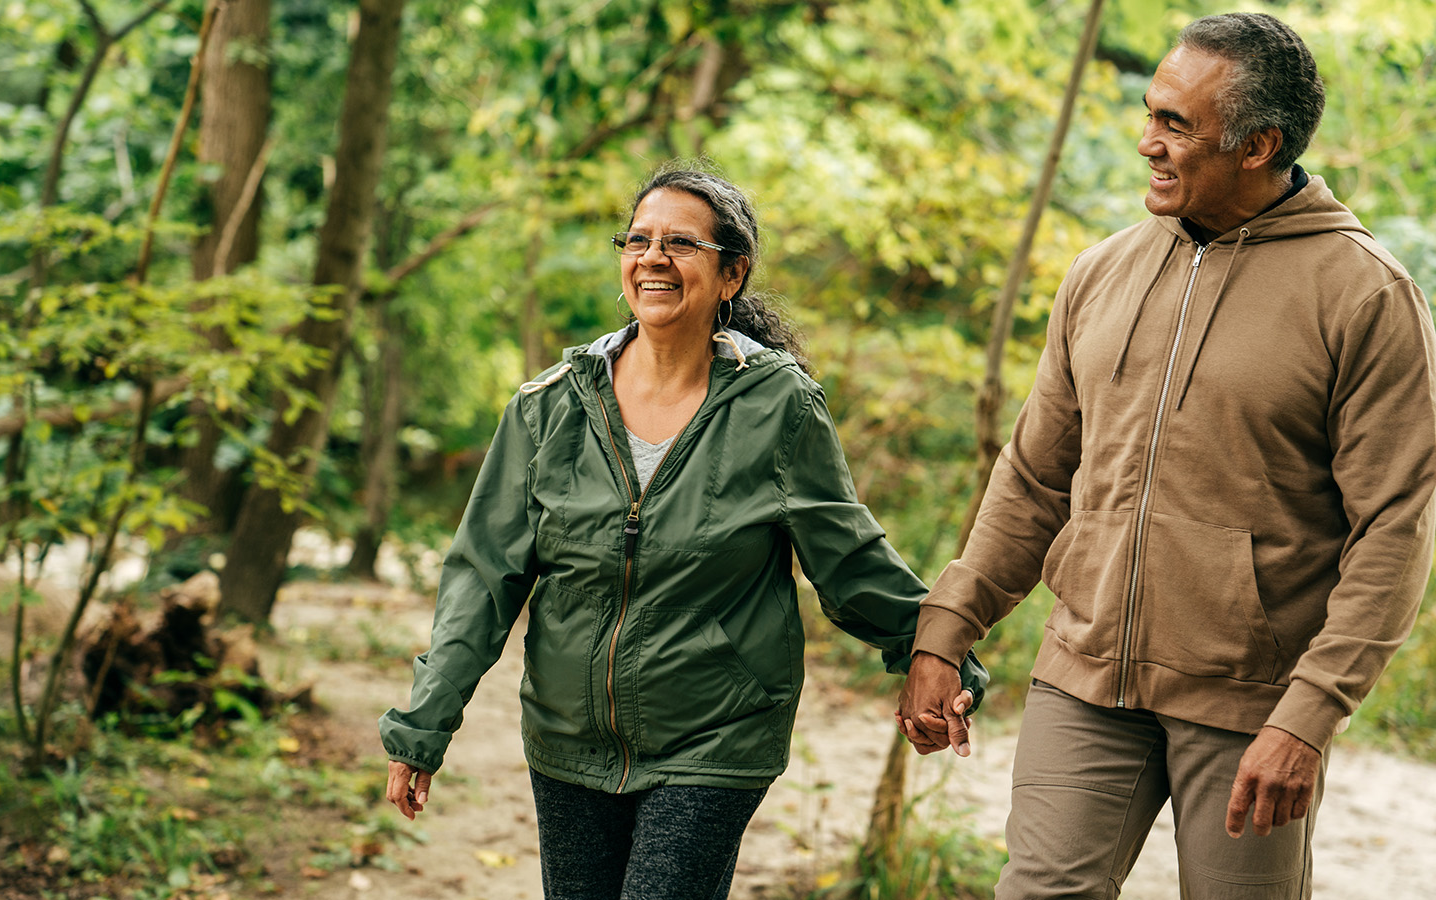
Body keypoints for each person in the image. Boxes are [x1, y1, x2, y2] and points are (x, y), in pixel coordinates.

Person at [896, 12, 1436, 899]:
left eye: (1176, 125)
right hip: (1084, 678)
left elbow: (1393, 532)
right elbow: (1036, 478)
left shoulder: (1365, 297)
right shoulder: (1100, 273)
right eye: (1152, 113)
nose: (1147, 142)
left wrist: (1308, 716)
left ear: (1259, 144)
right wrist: (948, 626)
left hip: (1249, 705)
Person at [381, 165, 987, 900]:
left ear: (731, 274)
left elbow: (850, 559)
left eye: (680, 244)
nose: (652, 257)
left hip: (715, 736)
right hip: (567, 738)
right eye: (637, 240)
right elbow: (482, 579)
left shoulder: (777, 405)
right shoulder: (550, 406)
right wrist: (425, 722)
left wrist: (940, 653)